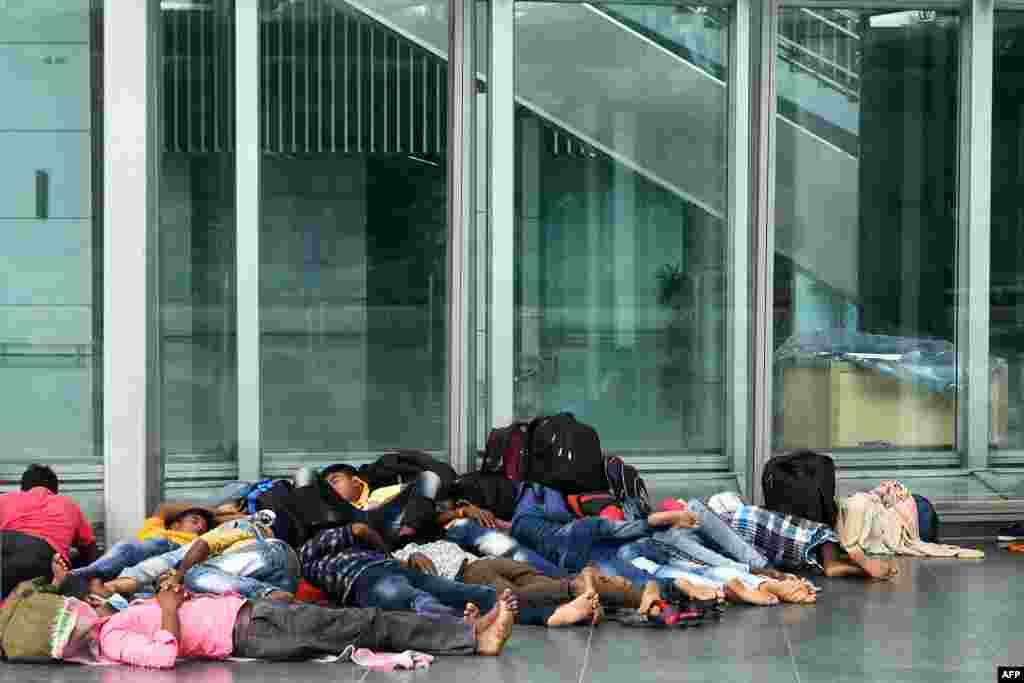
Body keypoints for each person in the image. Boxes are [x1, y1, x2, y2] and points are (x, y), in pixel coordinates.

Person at [0, 577, 518, 666]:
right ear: (69, 628)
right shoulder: (113, 641)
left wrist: (174, 601)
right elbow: (162, 654)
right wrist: (167, 608)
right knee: (371, 623)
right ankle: (474, 637)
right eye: (74, 609)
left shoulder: (113, 620)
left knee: (367, 620)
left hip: (253, 613)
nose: (83, 604)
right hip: (254, 631)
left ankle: (468, 631)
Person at [301, 522, 600, 627]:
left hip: (375, 577)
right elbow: (360, 530)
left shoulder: (307, 555)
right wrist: (387, 554)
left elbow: (359, 529)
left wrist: (388, 555)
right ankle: (556, 611)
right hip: (383, 572)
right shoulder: (311, 553)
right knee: (480, 597)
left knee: (419, 602)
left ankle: (557, 610)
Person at [393, 539, 643, 617]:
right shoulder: (418, 549)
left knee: (515, 600)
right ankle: (642, 597)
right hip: (479, 565)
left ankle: (574, 588)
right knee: (541, 587)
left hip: (473, 570)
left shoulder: (405, 553)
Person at [101, 513, 298, 601]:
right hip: (281, 578)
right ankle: (269, 596)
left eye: (201, 524)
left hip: (268, 553)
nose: (198, 528)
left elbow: (200, 546)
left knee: (193, 575)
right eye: (195, 522)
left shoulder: (210, 538)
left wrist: (177, 577)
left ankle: (266, 594)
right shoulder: (212, 581)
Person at [0, 464, 98, 597]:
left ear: (23, 487)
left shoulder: (5, 499)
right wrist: (92, 579)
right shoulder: (67, 504)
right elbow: (89, 549)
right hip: (41, 555)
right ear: (55, 489)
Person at [72, 505, 215, 583]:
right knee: (125, 554)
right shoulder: (155, 528)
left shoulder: (194, 541)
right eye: (194, 521)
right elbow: (164, 508)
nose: (198, 528)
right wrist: (208, 509)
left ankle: (78, 577)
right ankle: (82, 579)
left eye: (202, 529)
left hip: (174, 552)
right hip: (146, 550)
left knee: (126, 550)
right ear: (175, 524)